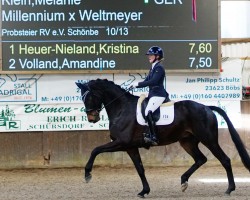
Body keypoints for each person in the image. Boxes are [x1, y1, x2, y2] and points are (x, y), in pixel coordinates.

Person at [132, 46, 169, 146]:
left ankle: (154, 136)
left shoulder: (159, 68)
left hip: (159, 94)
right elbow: (146, 81)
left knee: (148, 111)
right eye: (149, 55)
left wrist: (138, 84)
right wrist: (135, 86)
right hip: (153, 94)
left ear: (157, 56)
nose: (149, 57)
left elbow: (153, 81)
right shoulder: (153, 68)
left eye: (151, 55)